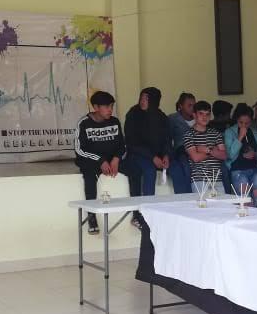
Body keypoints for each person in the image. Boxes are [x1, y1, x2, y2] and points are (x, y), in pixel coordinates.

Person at [74, 92, 125, 234]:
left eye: (112, 106)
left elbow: (122, 145)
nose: (110, 110)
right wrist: (100, 160)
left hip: (112, 159)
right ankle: (91, 216)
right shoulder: (83, 123)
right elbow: (79, 150)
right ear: (96, 107)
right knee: (89, 176)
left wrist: (116, 158)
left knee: (135, 169)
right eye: (106, 107)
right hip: (91, 160)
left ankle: (137, 214)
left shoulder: (114, 121)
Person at [124, 88, 170, 223]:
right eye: (142, 98)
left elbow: (167, 139)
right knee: (149, 170)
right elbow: (132, 143)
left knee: (177, 168)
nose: (142, 101)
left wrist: (166, 155)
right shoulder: (133, 114)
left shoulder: (161, 117)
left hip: (157, 156)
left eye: (147, 98)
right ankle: (145, 214)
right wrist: (152, 157)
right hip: (136, 154)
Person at [225, 105, 257, 208]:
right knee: (245, 201)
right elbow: (230, 154)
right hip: (238, 170)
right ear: (236, 120)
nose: (244, 126)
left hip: (255, 169)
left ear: (251, 121)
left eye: (247, 123)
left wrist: (255, 154)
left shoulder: (255, 132)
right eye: (241, 122)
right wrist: (240, 137)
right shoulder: (229, 132)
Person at [184, 101, 227, 194]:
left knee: (223, 203)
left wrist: (207, 150)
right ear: (194, 115)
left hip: (217, 179)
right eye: (201, 114)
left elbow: (224, 155)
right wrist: (214, 151)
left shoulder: (215, 133)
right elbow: (195, 158)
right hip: (199, 179)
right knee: (203, 203)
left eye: (207, 114)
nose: (205, 117)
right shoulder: (189, 135)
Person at [167, 92, 197, 194]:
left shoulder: (199, 117)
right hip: (181, 151)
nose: (192, 108)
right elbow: (167, 138)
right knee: (186, 167)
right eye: (189, 105)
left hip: (198, 150)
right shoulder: (173, 119)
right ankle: (188, 197)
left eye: (194, 105)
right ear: (180, 106)